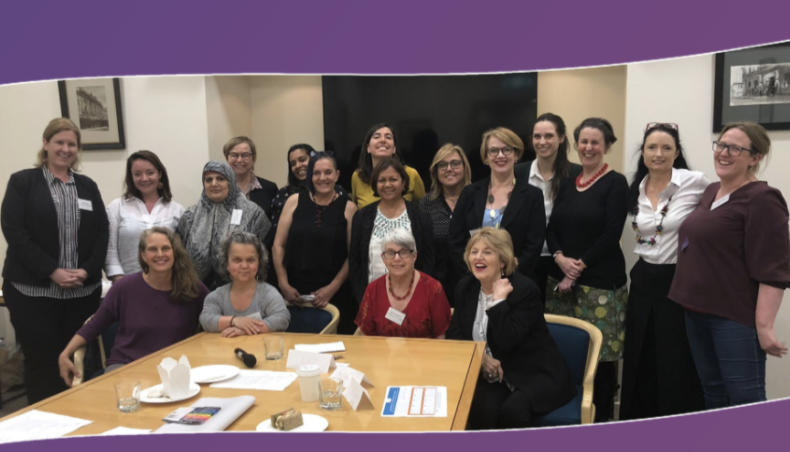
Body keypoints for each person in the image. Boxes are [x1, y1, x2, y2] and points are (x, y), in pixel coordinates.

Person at [669, 121, 790, 408]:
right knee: (713, 392)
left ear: (755, 158)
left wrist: (764, 326)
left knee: (745, 399)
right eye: (721, 145)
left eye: (735, 148)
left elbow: (773, 269)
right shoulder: (712, 191)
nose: (724, 153)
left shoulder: (763, 199)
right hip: (695, 312)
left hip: (732, 319)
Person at [1, 118, 109, 403]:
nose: (65, 149)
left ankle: (80, 416)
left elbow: (102, 231)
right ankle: (45, 420)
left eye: (71, 144)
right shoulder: (23, 182)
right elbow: (15, 231)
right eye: (59, 142)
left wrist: (87, 270)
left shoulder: (87, 186)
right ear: (45, 144)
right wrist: (52, 271)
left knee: (80, 360)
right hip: (33, 295)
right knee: (42, 363)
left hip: (81, 294)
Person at [619, 123, 708, 420]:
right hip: (643, 278)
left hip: (678, 279)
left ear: (677, 152)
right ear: (643, 153)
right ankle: (638, 422)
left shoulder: (694, 182)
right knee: (641, 352)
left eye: (666, 148)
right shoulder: (636, 188)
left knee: (675, 356)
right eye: (652, 147)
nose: (658, 154)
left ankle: (679, 422)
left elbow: (717, 217)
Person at [447, 228, 575, 429]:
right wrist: (481, 358)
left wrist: (498, 302)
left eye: (487, 252)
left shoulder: (524, 290)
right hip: (495, 375)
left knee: (513, 412)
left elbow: (508, 340)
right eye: (474, 251)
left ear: (502, 261)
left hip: (532, 372)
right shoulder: (466, 287)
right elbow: (455, 334)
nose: (478, 257)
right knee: (480, 408)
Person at [544, 117, 628, 422]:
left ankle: (601, 423)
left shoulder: (616, 182)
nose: (588, 148)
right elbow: (552, 227)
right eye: (584, 142)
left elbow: (611, 233)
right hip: (561, 283)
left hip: (600, 284)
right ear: (576, 144)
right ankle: (568, 418)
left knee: (600, 360)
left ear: (607, 146)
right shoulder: (568, 180)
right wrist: (559, 257)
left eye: (595, 142)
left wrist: (576, 268)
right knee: (565, 354)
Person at [58, 227, 209, 385]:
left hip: (174, 371)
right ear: (143, 255)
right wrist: (66, 353)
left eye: (165, 248)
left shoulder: (192, 288)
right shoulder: (124, 288)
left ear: (174, 252)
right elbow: (94, 325)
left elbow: (214, 316)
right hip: (125, 367)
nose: (160, 254)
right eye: (152, 249)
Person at [273, 152, 358, 334]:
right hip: (294, 291)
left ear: (337, 175)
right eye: (316, 173)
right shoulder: (294, 202)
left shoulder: (349, 208)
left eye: (328, 172)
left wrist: (332, 288)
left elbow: (352, 255)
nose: (322, 178)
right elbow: (278, 246)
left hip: (334, 292)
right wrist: (283, 283)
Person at [448, 127, 545, 285]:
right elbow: (455, 240)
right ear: (486, 157)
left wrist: (506, 277)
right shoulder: (469, 193)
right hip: (473, 282)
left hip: (516, 283)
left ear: (516, 155)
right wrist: (474, 274)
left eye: (506, 149)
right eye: (493, 151)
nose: (500, 155)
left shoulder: (532, 196)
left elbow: (534, 246)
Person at [515, 113, 583, 303]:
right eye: (537, 136)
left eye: (549, 136)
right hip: (525, 259)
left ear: (561, 138)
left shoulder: (577, 174)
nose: (542, 142)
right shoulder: (517, 173)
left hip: (564, 261)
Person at [349, 158, 435, 304]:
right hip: (371, 300)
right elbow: (355, 262)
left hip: (413, 300)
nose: (387, 185)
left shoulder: (421, 216)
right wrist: (363, 299)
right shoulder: (361, 217)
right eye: (382, 180)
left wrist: (419, 297)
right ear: (375, 184)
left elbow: (428, 260)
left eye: (393, 179)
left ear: (404, 183)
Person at [177, 161, 271, 289]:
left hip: (240, 289)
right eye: (208, 180)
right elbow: (179, 254)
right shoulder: (190, 216)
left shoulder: (253, 213)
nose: (214, 184)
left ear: (230, 182)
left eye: (220, 179)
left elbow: (263, 257)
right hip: (195, 290)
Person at [355, 228, 451, 338]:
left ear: (414, 256)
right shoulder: (373, 290)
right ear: (383, 258)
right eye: (390, 253)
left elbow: (440, 338)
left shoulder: (433, 289)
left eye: (404, 252)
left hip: (424, 350)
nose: (397, 258)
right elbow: (366, 337)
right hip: (382, 350)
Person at [105, 151, 184, 282]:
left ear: (159, 174)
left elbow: (182, 254)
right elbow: (110, 250)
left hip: (168, 284)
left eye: (150, 172)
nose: (144, 178)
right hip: (127, 283)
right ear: (131, 177)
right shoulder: (117, 207)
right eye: (137, 174)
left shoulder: (177, 210)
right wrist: (120, 281)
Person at [200, 231, 290, 336]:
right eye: (237, 260)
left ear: (259, 263)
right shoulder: (215, 297)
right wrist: (235, 321)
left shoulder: (269, 294)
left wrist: (245, 330)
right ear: (227, 264)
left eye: (250, 260)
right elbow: (206, 319)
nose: (244, 266)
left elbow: (282, 318)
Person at [418, 143, 472, 307]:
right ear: (436, 171)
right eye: (442, 165)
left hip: (473, 283)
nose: (449, 169)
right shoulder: (426, 203)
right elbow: (421, 248)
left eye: (455, 163)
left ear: (464, 168)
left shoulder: (477, 198)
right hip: (436, 285)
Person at [269, 144, 348, 230]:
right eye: (293, 163)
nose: (298, 165)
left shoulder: (337, 191)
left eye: (302, 160)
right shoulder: (283, 195)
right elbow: (276, 231)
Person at [351, 123, 426, 208]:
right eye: (377, 137)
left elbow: (422, 207)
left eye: (388, 137)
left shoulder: (411, 174)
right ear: (368, 148)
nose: (383, 140)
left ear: (394, 148)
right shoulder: (357, 176)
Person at [223, 136, 278, 218]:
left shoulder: (270, 189)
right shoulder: (218, 188)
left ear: (254, 158)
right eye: (234, 155)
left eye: (245, 155)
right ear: (227, 158)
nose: (239, 160)